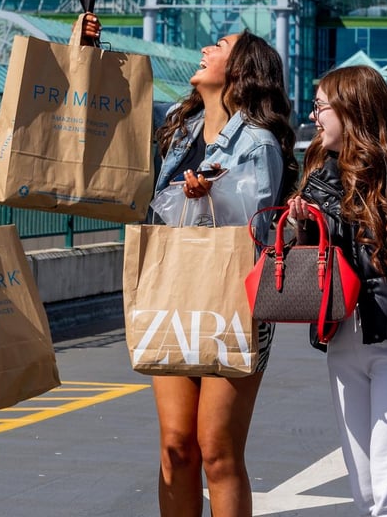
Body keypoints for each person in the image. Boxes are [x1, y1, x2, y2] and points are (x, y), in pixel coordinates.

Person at [286, 65, 387, 517]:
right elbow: (317, 263)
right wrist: (303, 225)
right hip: (343, 340)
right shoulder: (322, 174)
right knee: (364, 491)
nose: (314, 115)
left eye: (321, 106)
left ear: (352, 108)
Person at [149, 31, 298, 517]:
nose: (207, 48)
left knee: (216, 450)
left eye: (221, 45)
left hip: (235, 304)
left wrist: (207, 201)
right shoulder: (180, 131)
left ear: (240, 69)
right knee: (176, 447)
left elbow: (251, 235)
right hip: (174, 293)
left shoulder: (257, 143)